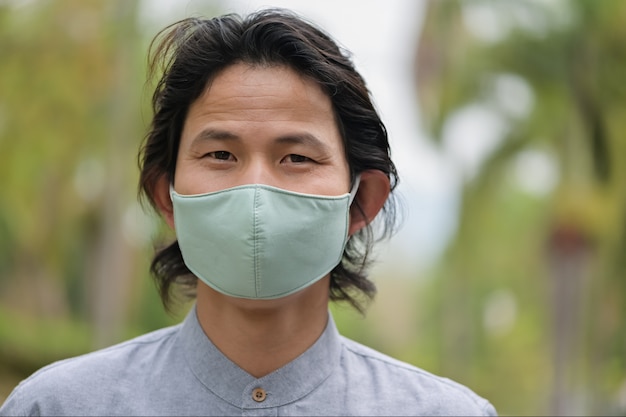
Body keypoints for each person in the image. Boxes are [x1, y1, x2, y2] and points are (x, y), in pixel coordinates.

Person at [1, 9, 496, 416]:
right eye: (221, 155)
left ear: (361, 200)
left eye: (297, 157)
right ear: (166, 196)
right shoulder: (56, 407)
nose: (255, 187)